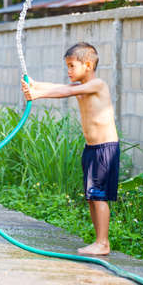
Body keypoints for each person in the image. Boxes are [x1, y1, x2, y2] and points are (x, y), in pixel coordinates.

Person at [21, 42, 120, 256]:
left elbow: (65, 91)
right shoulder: (80, 87)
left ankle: (103, 242)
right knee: (92, 196)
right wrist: (35, 85)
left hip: (105, 149)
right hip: (92, 149)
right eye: (67, 66)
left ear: (88, 65)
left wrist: (38, 94)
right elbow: (61, 87)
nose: (68, 71)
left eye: (72, 66)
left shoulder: (98, 85)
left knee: (99, 196)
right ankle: (98, 241)